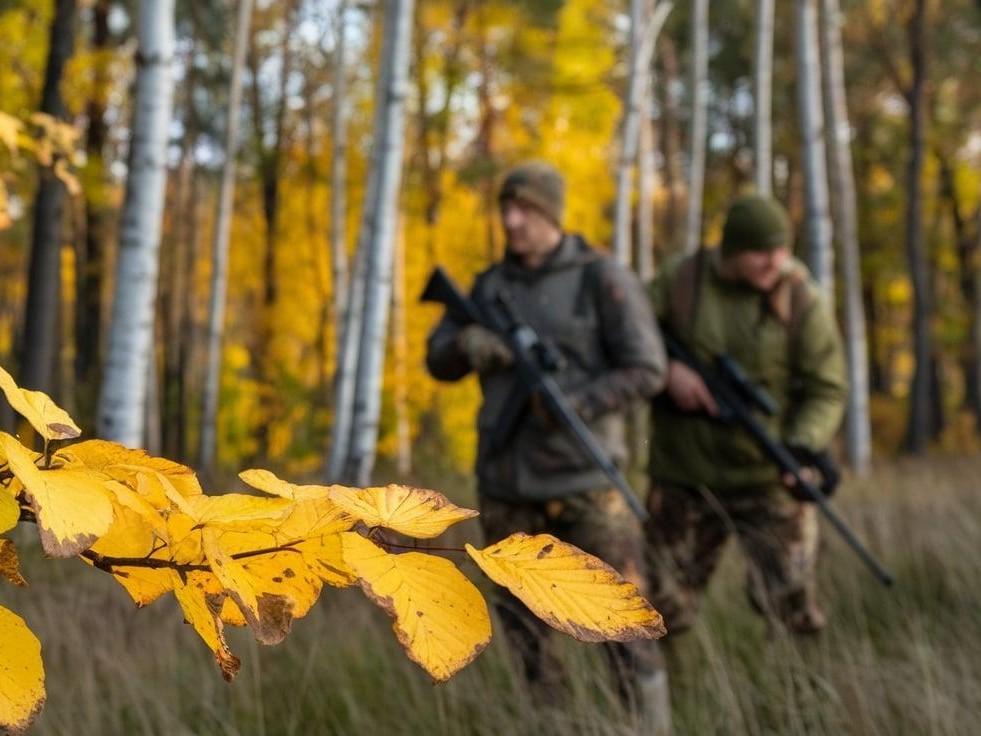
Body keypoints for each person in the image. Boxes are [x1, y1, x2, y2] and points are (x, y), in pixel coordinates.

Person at [425, 161, 670, 725]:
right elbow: (437, 361)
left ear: (551, 214)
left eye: (526, 210)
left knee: (627, 630)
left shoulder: (601, 277)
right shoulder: (489, 286)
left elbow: (647, 368)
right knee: (529, 644)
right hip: (509, 489)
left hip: (589, 488)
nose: (512, 220)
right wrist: (468, 343)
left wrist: (576, 403)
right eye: (506, 209)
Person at [646, 194, 848, 637]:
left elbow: (827, 388)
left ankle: (800, 699)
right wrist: (666, 372)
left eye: (782, 249)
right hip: (685, 476)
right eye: (761, 251)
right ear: (732, 250)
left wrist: (802, 444)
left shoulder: (801, 297)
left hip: (768, 476)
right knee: (658, 612)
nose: (774, 261)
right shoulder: (682, 280)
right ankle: (660, 703)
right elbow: (629, 335)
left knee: (793, 607)